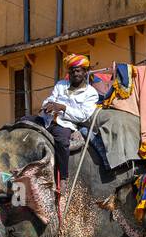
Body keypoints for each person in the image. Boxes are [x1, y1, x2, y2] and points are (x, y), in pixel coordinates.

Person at [40, 53, 101, 182]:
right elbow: (51, 97)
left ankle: (63, 177)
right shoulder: (61, 84)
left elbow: (83, 116)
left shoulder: (91, 93)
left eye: (78, 71)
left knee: (62, 143)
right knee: (23, 122)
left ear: (85, 72)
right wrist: (47, 104)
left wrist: (63, 107)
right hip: (47, 120)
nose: (75, 74)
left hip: (65, 125)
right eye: (72, 71)